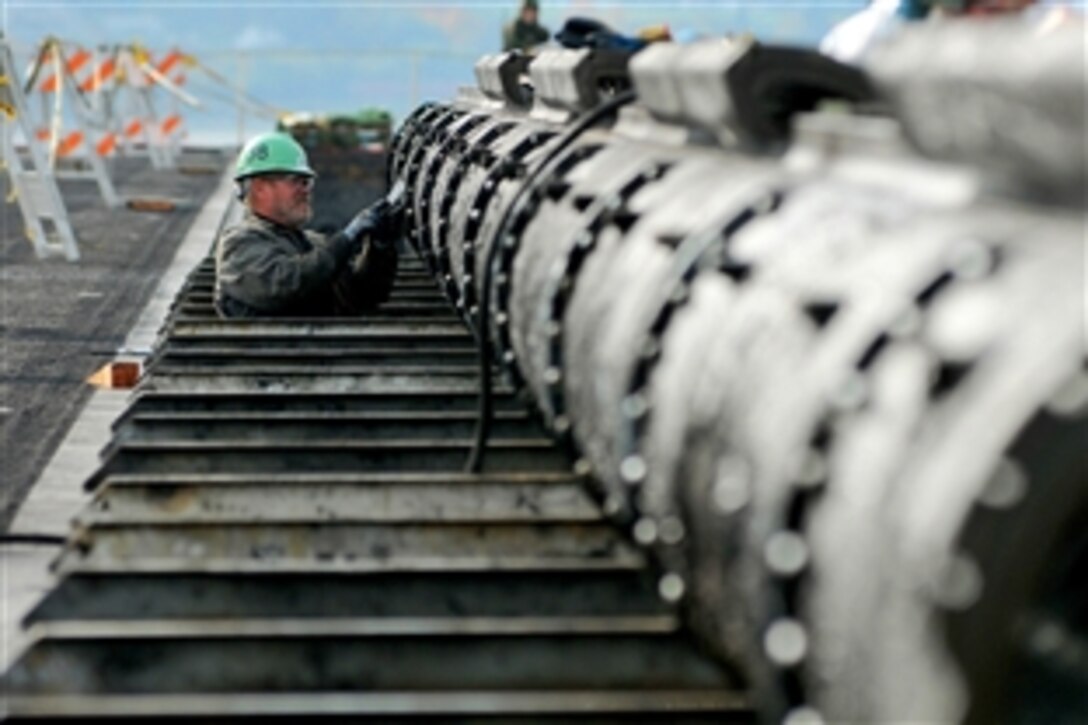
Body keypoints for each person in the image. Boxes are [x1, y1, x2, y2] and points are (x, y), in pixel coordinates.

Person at [215, 131, 400, 318]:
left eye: (307, 182)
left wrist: (378, 247)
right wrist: (347, 239)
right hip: (269, 347)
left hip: (317, 346)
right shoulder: (238, 244)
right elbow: (283, 286)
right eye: (297, 181)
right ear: (260, 188)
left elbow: (360, 297)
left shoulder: (313, 243)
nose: (306, 191)